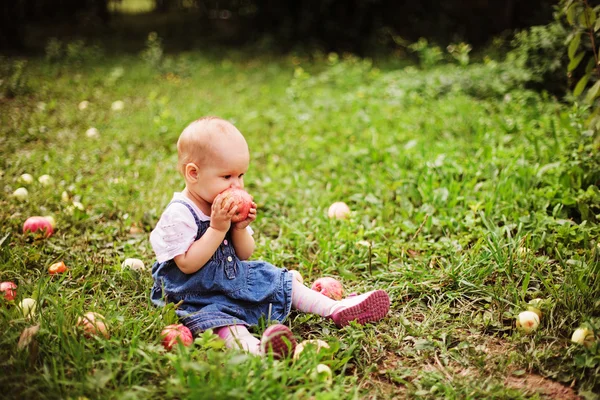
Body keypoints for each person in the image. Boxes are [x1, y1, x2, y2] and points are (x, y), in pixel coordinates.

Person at [149, 116, 390, 358]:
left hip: (231, 279)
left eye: (241, 175)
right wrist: (217, 229)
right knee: (221, 320)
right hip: (195, 293)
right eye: (227, 177)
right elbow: (187, 265)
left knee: (279, 280)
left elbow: (244, 254)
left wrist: (239, 229)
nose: (237, 186)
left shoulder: (222, 205)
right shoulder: (179, 213)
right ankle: (257, 350)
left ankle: (336, 308)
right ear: (193, 174)